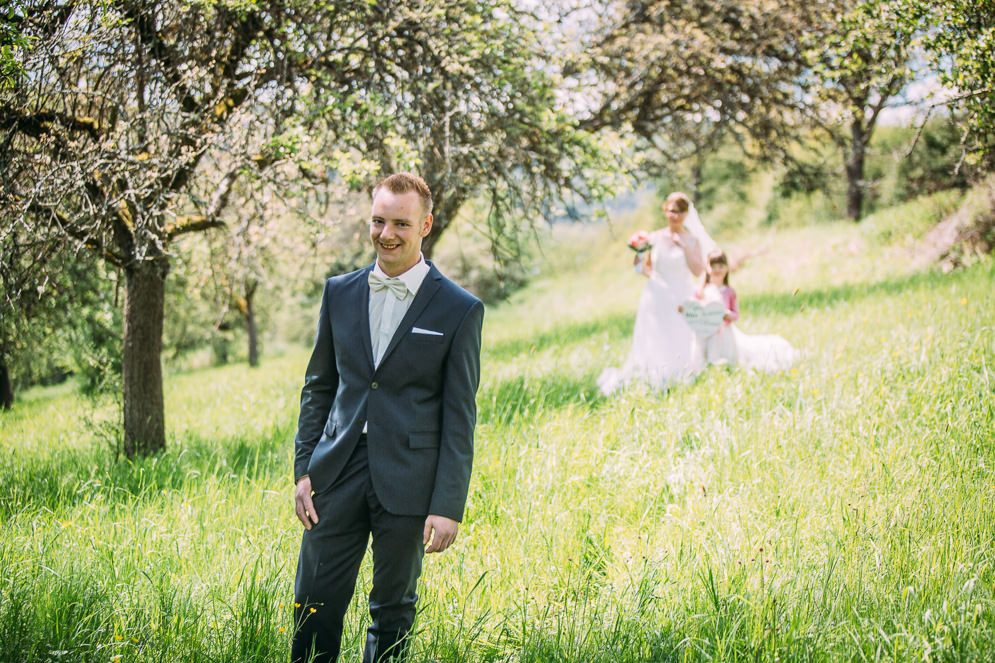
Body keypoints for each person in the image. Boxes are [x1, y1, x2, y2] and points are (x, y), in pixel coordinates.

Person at [291, 172, 484, 663]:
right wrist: (303, 470)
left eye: (401, 222)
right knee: (313, 602)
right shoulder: (339, 292)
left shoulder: (460, 309)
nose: (387, 234)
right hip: (336, 472)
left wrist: (448, 503)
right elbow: (319, 387)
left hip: (409, 477)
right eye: (379, 221)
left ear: (426, 226)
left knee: (393, 609)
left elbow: (460, 416)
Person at [597, 192, 715, 394]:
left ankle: (681, 374)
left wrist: (685, 247)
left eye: (679, 212)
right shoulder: (654, 238)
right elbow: (647, 268)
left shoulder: (692, 240)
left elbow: (697, 271)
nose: (674, 216)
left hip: (682, 293)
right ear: (665, 211)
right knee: (656, 334)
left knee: (681, 333)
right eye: (671, 211)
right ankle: (656, 375)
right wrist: (638, 259)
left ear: (686, 214)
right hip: (657, 294)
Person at [695, 248, 798, 371]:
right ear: (708, 268)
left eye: (721, 266)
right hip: (706, 332)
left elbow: (736, 314)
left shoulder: (729, 292)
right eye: (714, 266)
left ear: (726, 268)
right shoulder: (702, 290)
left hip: (724, 332)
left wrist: (728, 315)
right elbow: (696, 308)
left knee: (728, 356)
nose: (717, 270)